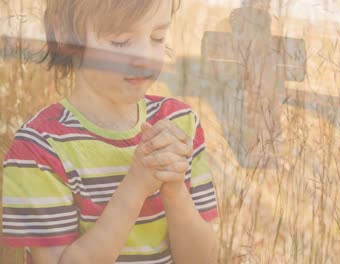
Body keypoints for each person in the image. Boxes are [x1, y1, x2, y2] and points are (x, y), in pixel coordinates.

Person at [1, 0, 220, 263]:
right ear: (65, 35)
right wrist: (136, 186)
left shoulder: (180, 123)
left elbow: (202, 258)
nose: (145, 57)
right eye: (120, 41)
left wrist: (174, 189)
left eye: (157, 37)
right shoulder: (38, 147)